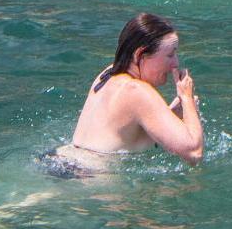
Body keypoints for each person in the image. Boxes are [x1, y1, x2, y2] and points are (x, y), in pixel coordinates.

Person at [51, 12, 204, 171]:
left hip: (58, 160)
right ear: (140, 54)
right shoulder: (137, 90)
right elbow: (194, 152)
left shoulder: (108, 74)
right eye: (170, 54)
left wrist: (171, 115)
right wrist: (187, 99)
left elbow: (126, 139)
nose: (175, 63)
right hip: (85, 176)